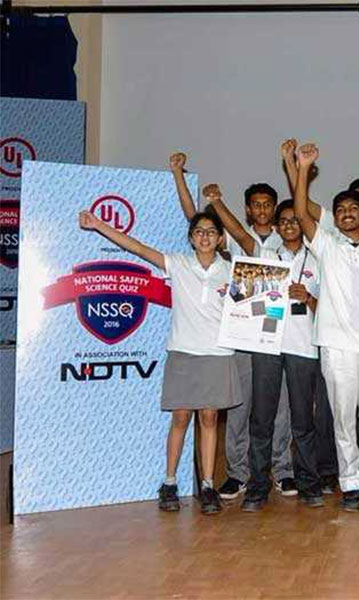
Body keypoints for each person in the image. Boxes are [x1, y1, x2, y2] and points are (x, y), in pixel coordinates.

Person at [78, 207, 241, 515]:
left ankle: (207, 485)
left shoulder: (232, 271)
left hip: (218, 354)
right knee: (180, 418)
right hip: (182, 352)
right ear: (191, 238)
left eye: (210, 232)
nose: (204, 236)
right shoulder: (178, 264)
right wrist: (99, 225)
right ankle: (169, 482)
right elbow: (136, 247)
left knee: (209, 420)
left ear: (220, 238)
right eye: (198, 232)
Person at [169, 152, 297, 500]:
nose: (262, 210)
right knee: (238, 407)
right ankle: (237, 473)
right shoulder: (228, 244)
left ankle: (282, 470)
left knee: (280, 408)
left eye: (267, 204)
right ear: (246, 209)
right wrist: (179, 175)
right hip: (240, 339)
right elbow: (191, 217)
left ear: (274, 207)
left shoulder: (289, 239)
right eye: (255, 204)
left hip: (276, 337)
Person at [203, 187, 335, 509]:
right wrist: (217, 202)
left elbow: (330, 308)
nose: (290, 225)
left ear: (303, 225)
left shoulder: (319, 260)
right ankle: (258, 488)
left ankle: (307, 483)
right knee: (261, 420)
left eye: (295, 220)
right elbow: (236, 231)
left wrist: (309, 298)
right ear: (276, 227)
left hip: (303, 349)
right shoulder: (265, 256)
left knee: (302, 421)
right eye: (284, 221)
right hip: (265, 347)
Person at [293, 142, 359, 511]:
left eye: (355, 208)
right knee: (342, 419)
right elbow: (302, 212)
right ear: (334, 218)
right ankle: (349, 481)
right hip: (336, 346)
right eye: (342, 210)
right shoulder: (328, 245)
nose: (348, 214)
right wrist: (303, 168)